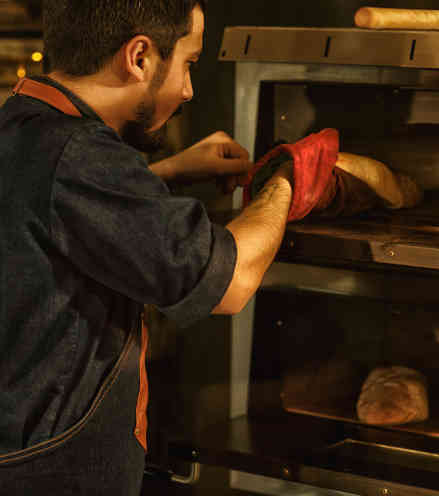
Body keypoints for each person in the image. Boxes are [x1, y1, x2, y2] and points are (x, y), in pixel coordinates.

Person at [0, 1, 336, 494]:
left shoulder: (20, 121)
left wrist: (167, 173)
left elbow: (48, 211)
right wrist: (287, 177)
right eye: (189, 64)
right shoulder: (84, 157)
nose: (188, 90)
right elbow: (231, 281)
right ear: (139, 57)